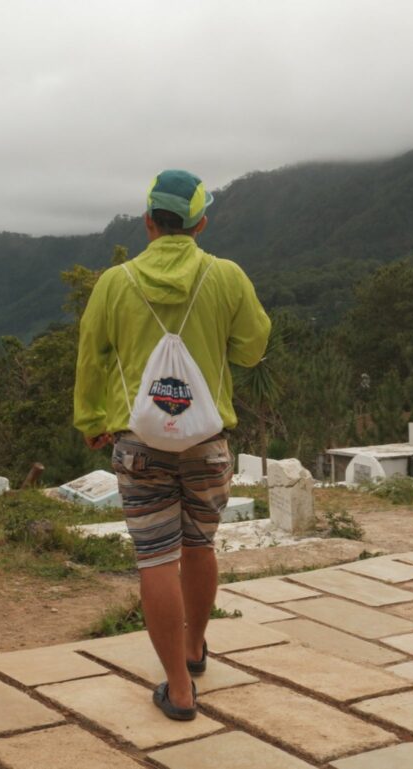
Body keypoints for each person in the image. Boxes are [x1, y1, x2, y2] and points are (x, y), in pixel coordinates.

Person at [74, 170, 270, 720]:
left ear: (147, 222)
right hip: (207, 441)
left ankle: (179, 689)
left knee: (155, 559)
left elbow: (91, 354)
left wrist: (91, 417)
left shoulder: (116, 282)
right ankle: (194, 646)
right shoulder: (226, 276)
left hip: (139, 444)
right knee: (199, 547)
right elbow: (253, 348)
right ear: (200, 222)